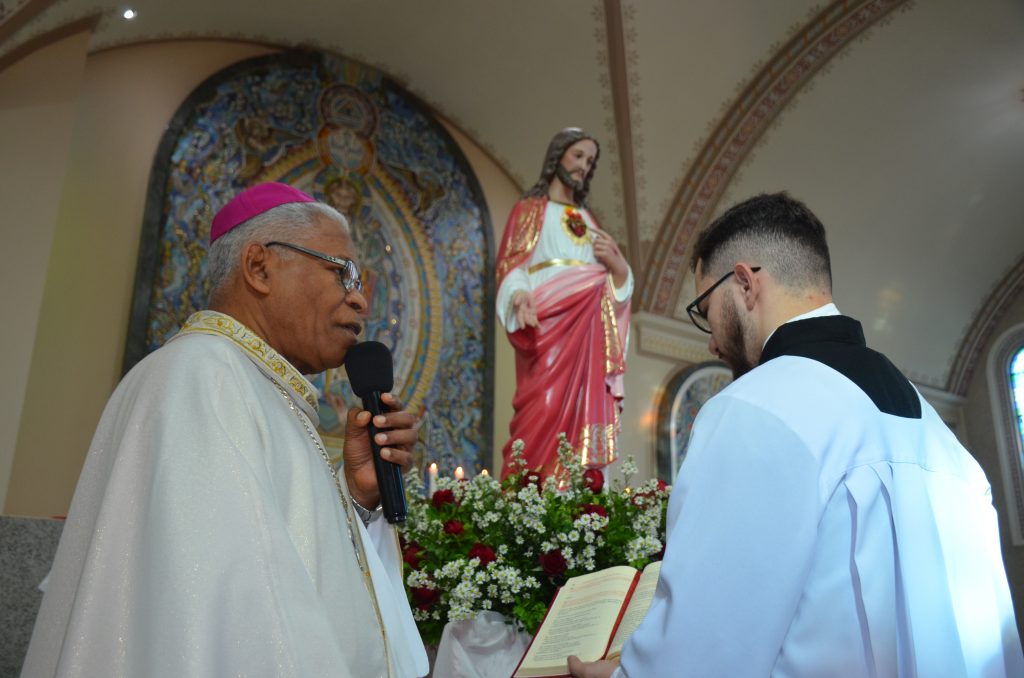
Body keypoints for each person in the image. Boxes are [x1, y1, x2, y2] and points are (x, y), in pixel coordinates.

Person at [568, 192, 1023, 677]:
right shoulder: (943, 438)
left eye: (705, 308)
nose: (712, 341)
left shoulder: (751, 407)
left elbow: (699, 654)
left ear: (744, 283)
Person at [21, 183, 429, 677]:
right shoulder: (200, 378)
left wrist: (358, 501)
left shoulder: (247, 382)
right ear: (259, 267)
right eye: (341, 272)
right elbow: (237, 621)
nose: (361, 299)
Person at [495, 127, 632, 480]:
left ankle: (575, 485)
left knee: (584, 405)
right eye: (578, 156)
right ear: (558, 156)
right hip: (547, 324)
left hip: (588, 330)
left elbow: (611, 283)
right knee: (544, 403)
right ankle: (531, 485)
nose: (584, 166)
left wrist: (619, 268)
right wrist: (519, 294)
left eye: (590, 161)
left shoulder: (589, 220)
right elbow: (511, 266)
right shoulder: (530, 210)